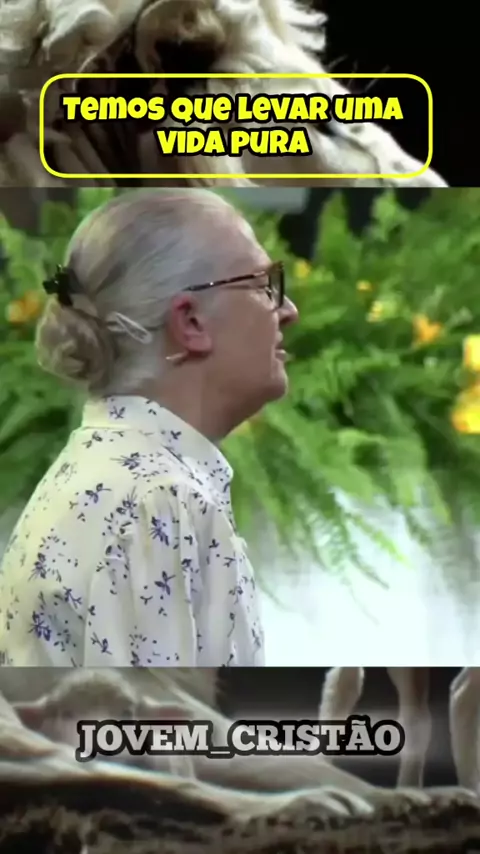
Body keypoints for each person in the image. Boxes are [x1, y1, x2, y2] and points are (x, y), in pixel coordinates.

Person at [0, 188, 298, 668]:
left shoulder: (110, 472)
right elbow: (164, 717)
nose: (288, 310)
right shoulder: (158, 501)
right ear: (191, 321)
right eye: (264, 285)